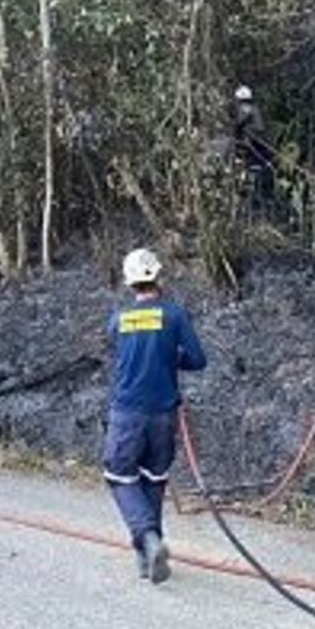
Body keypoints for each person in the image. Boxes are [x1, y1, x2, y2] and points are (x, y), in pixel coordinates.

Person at [103, 248, 206, 584]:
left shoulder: (119, 319)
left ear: (129, 282)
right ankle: (148, 557)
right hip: (163, 415)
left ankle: (147, 538)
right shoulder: (175, 315)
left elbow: (121, 356)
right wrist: (170, 358)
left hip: (128, 412)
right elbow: (197, 359)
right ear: (158, 277)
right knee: (153, 480)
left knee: (118, 476)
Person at [232, 85, 275, 211]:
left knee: (254, 178)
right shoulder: (248, 112)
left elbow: (258, 131)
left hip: (257, 154)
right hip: (252, 154)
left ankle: (256, 203)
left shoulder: (252, 112)